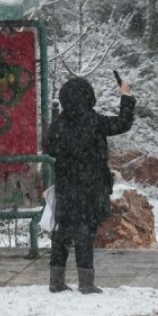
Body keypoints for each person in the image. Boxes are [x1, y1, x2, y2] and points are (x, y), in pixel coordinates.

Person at [46, 75, 136, 294]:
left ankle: (56, 281)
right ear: (89, 98)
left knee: (63, 232)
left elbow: (50, 150)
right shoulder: (95, 122)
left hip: (66, 185)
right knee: (85, 231)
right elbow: (123, 123)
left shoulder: (59, 124)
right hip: (91, 186)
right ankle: (86, 282)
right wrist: (126, 96)